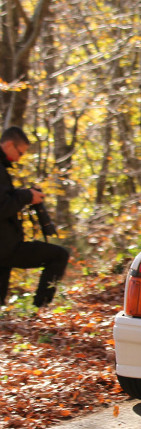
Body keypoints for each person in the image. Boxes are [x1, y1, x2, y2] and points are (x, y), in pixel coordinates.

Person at [0, 126, 69, 308]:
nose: (19, 158)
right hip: (6, 247)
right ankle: (41, 309)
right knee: (59, 256)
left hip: (5, 246)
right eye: (20, 153)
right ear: (8, 145)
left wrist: (22, 194)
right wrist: (27, 196)